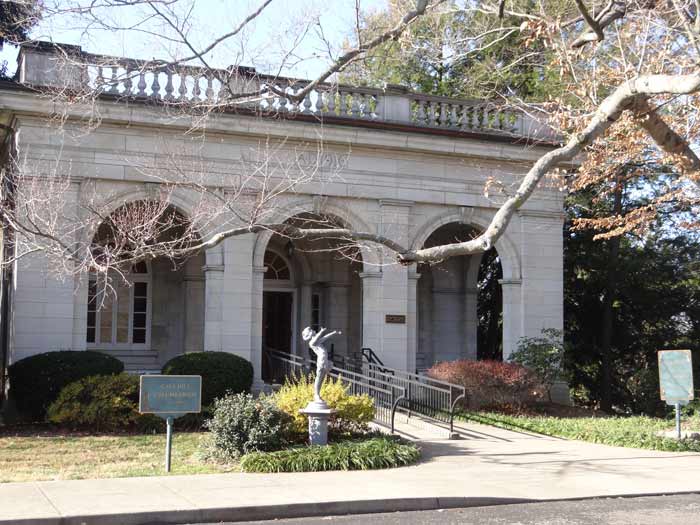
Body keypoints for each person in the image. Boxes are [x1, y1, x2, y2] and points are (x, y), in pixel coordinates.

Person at [301, 326, 341, 403]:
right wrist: (321, 331)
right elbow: (316, 338)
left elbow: (325, 337)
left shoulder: (318, 341)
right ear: (309, 334)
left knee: (321, 379)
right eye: (311, 330)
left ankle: (318, 394)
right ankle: (316, 395)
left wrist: (333, 333)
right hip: (321, 361)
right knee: (319, 378)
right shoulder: (312, 343)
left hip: (325, 360)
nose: (313, 330)